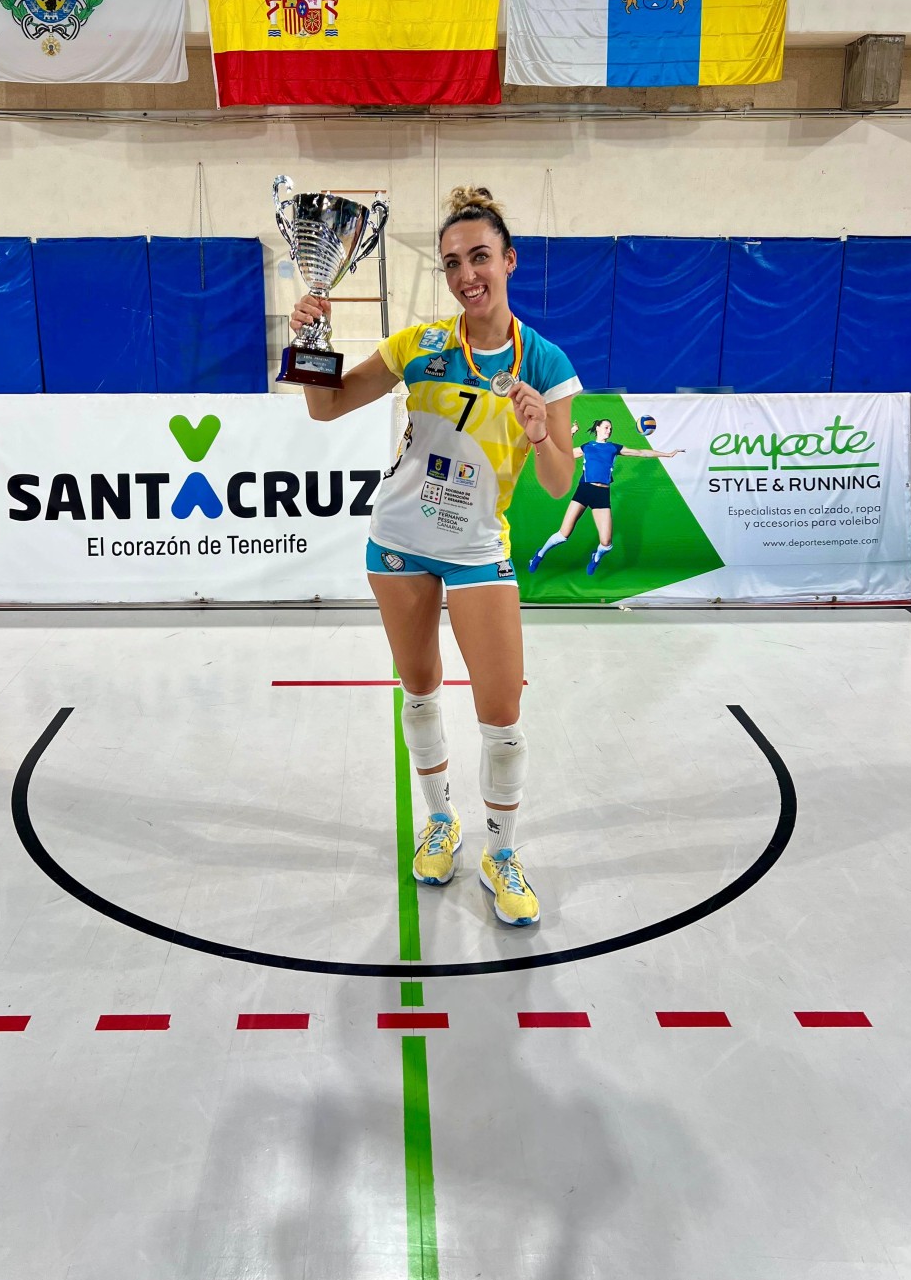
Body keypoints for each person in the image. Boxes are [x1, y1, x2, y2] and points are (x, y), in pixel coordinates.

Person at [289, 187, 579, 926]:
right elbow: (326, 408)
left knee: (502, 710)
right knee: (419, 688)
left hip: (479, 547)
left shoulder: (544, 360)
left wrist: (543, 429)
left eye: (480, 257)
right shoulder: (419, 346)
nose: (466, 274)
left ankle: (502, 850)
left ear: (509, 260)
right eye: (452, 262)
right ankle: (441, 819)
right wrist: (314, 344)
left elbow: (557, 480)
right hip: (400, 542)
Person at [528, 417, 683, 577]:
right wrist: (571, 433)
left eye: (611, 428)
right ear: (598, 428)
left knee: (607, 544)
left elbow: (640, 452)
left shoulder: (614, 448)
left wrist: (667, 455)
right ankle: (539, 555)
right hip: (584, 490)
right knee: (563, 534)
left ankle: (596, 556)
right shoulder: (587, 447)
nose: (609, 430)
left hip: (602, 495)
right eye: (606, 427)